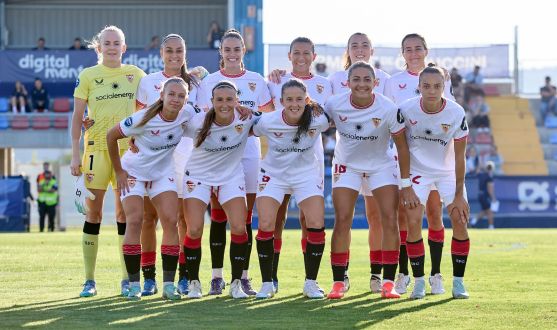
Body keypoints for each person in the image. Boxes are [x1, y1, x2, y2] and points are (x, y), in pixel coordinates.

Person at [324, 61, 416, 299]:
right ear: (348, 82)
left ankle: (388, 282)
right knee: (343, 219)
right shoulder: (335, 104)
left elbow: (402, 147)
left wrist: (406, 184)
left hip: (381, 166)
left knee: (389, 218)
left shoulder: (387, 107)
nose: (362, 84)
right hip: (347, 166)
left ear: (375, 83)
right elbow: (312, 120)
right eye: (357, 79)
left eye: (367, 80)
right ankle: (338, 282)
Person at [196, 29, 274, 296]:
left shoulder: (256, 80)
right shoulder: (209, 81)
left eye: (236, 49)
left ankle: (242, 277)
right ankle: (216, 278)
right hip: (216, 156)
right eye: (227, 49)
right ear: (221, 51)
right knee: (218, 217)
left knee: (244, 219)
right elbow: (199, 115)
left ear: (244, 51)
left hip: (249, 154)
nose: (232, 54)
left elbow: (270, 116)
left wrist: (251, 111)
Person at [70, 25, 146, 298]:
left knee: (124, 215)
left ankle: (127, 280)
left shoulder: (136, 75)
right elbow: (78, 117)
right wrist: (75, 153)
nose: (112, 47)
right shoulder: (88, 75)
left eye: (117, 43)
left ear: (123, 48)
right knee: (94, 215)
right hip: (95, 151)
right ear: (99, 48)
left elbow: (149, 108)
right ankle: (89, 281)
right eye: (107, 43)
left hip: (127, 155)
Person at [106, 78, 197, 301]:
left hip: (161, 174)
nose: (176, 99)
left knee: (170, 221)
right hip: (133, 173)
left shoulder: (188, 113)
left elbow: (212, 111)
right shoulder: (143, 117)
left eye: (180, 96)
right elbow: (111, 135)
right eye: (171, 94)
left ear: (186, 99)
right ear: (162, 96)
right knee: (135, 221)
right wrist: (118, 171)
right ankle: (135, 285)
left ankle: (168, 285)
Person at [383, 33, 456, 295]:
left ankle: (436, 274)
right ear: (402, 53)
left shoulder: (442, 77)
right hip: (405, 159)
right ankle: (404, 273)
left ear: (426, 50)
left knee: (434, 214)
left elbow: (452, 116)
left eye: (417, 48)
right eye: (408, 49)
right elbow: (388, 116)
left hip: (435, 160)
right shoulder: (393, 82)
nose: (413, 53)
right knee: (405, 215)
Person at [133, 34, 202, 297]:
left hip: (187, 157)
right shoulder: (148, 82)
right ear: (161, 53)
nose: (174, 55)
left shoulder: (197, 81)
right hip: (153, 158)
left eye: (179, 50)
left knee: (183, 220)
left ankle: (183, 277)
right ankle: (148, 278)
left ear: (186, 53)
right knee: (149, 218)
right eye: (169, 50)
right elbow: (137, 117)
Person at [253, 78, 331, 299]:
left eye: (299, 99)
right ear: (281, 101)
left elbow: (338, 118)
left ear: (307, 100)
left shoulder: (319, 120)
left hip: (306, 175)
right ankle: (267, 283)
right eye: (289, 99)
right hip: (273, 175)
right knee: (267, 223)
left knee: (316, 222)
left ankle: (311, 283)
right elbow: (246, 128)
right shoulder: (267, 121)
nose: (294, 104)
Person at [266, 37, 332, 293]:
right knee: (277, 217)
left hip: (309, 160)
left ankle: (310, 281)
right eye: (296, 53)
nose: (301, 57)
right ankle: (271, 279)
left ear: (314, 56)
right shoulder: (275, 80)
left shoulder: (326, 84)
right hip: (279, 160)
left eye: (306, 53)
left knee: (309, 219)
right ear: (289, 55)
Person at [182, 80, 259, 299]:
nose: (224, 105)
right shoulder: (196, 121)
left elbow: (279, 121)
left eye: (229, 99)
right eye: (219, 100)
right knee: (194, 229)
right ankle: (194, 283)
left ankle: (236, 284)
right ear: (212, 102)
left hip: (230, 177)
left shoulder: (247, 118)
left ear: (237, 101)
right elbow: (168, 126)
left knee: (239, 227)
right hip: (198, 177)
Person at [399, 63, 471, 299]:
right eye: (426, 86)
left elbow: (460, 155)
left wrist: (459, 194)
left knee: (460, 219)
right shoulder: (406, 109)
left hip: (447, 171)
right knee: (412, 221)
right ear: (418, 87)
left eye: (437, 86)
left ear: (444, 86)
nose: (432, 91)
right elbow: (402, 150)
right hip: (418, 171)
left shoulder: (456, 112)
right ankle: (419, 281)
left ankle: (458, 282)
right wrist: (406, 184)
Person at [470, 161, 496, 230]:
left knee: (485, 211)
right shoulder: (489, 176)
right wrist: (493, 197)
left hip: (480, 194)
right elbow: (490, 187)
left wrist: (480, 166)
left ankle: (473, 221)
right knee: (490, 210)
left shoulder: (481, 174)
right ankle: (491, 227)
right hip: (485, 195)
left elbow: (477, 172)